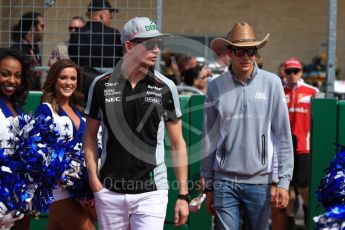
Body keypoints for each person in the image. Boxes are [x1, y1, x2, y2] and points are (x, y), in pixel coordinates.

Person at [83, 17, 189, 230]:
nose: (157, 50)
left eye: (158, 43)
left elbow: (178, 144)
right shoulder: (101, 84)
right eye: (149, 44)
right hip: (109, 191)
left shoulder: (165, 87)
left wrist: (183, 195)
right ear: (129, 46)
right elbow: (90, 136)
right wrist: (95, 182)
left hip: (152, 193)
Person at [200, 22, 294, 230]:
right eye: (240, 51)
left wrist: (283, 182)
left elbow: (282, 135)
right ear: (230, 52)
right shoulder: (215, 86)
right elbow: (209, 137)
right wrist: (208, 184)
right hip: (224, 181)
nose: (246, 56)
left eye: (251, 51)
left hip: (260, 182)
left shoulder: (272, 83)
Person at [34, 59, 95, 230]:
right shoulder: (45, 110)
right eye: (63, 78)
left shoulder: (79, 110)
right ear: (54, 80)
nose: (69, 83)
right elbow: (39, 151)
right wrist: (60, 173)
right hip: (56, 188)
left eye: (73, 79)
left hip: (77, 188)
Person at [283, 57, 319, 229]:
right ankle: (289, 225)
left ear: (301, 72)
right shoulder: (279, 91)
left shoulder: (312, 91)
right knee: (288, 191)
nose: (291, 75)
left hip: (304, 147)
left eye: (295, 71)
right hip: (284, 149)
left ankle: (307, 221)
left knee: (304, 188)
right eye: (288, 71)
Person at [0, 48, 29, 229]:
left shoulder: (17, 107)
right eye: (5, 74)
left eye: (17, 76)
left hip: (18, 190)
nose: (12, 81)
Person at [69, 0, 123, 69]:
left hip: (83, 77)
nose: (111, 18)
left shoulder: (76, 35)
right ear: (102, 15)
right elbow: (121, 60)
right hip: (107, 78)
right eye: (110, 15)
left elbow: (73, 59)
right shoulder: (113, 34)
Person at [11, 12, 44, 90]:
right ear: (33, 28)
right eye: (42, 26)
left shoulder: (34, 48)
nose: (44, 30)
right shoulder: (17, 48)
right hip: (20, 95)